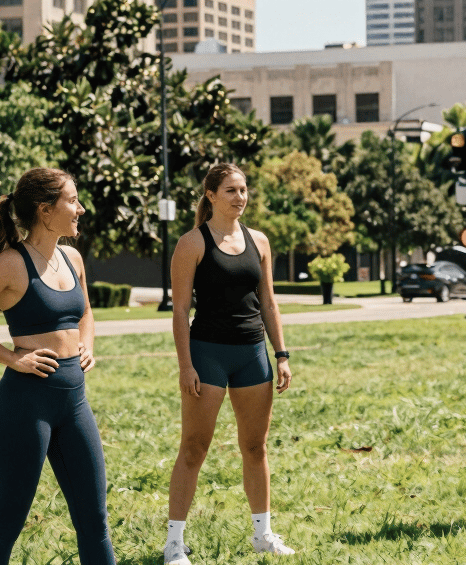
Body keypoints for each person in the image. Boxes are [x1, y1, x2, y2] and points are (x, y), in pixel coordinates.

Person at [0, 168, 115, 564]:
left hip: (74, 402)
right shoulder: (10, 264)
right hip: (25, 406)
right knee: (8, 520)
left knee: (95, 519)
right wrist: (11, 357)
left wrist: (86, 342)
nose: (80, 209)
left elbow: (85, 310)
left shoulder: (72, 257)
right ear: (45, 210)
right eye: (72, 201)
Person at [163, 163, 294, 564]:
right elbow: (180, 309)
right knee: (194, 447)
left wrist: (282, 354)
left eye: (243, 189)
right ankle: (173, 544)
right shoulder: (192, 243)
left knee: (255, 447)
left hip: (253, 354)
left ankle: (263, 534)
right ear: (211, 196)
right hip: (208, 355)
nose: (240, 197)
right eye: (231, 190)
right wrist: (186, 366)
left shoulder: (260, 241)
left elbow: (269, 302)